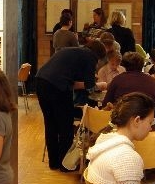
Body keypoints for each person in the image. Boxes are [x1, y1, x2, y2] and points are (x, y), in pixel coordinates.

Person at [35, 40, 106, 170]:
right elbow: (90, 86)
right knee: (66, 125)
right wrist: (99, 85)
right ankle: (65, 165)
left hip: (40, 81)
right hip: (57, 87)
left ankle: (54, 162)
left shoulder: (72, 51)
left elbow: (70, 81)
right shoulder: (90, 57)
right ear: (98, 56)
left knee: (50, 124)